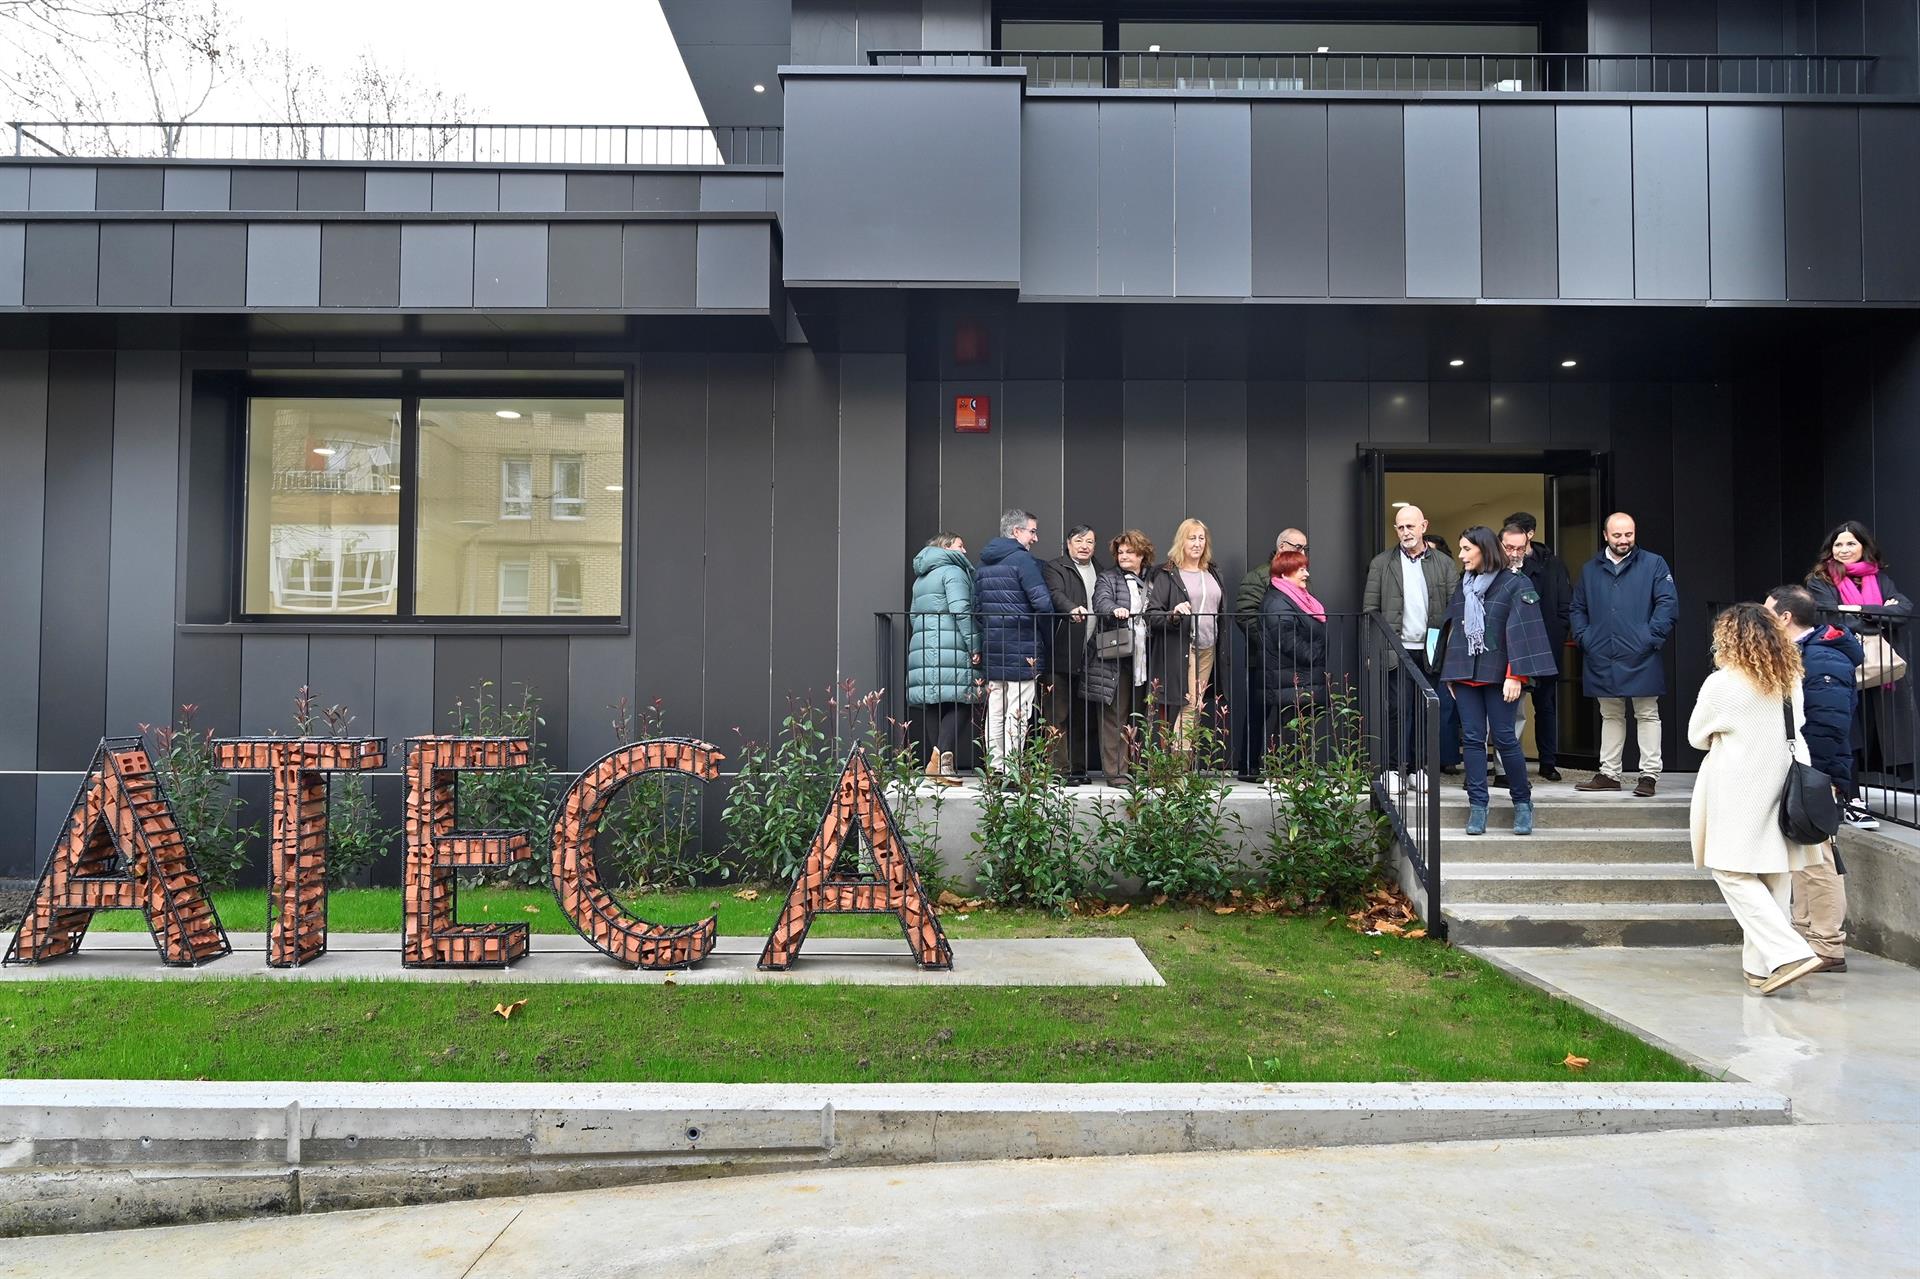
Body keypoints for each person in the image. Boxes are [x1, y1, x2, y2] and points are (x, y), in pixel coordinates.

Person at [1688, 603, 1824, 996]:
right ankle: (1761, 968)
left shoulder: (1723, 684)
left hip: (1738, 784)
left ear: (1729, 639)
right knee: (1773, 871)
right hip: (1783, 780)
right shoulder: (1789, 677)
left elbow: (1696, 736)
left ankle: (1787, 953)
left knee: (1729, 870)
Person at [1766, 584, 1863, 973]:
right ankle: (1807, 938)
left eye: (1769, 612)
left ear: (1786, 617)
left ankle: (1827, 945)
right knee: (1805, 858)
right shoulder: (1805, 654)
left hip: (1816, 773)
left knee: (1820, 859)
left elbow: (1826, 726)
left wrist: (1814, 778)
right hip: (1806, 772)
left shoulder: (1822, 658)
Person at [1439, 526, 1558, 836]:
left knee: (1505, 739)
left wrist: (1516, 674)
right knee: (1474, 740)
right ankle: (1478, 805)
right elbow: (1453, 627)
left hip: (1501, 674)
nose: (1462, 555)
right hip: (1466, 674)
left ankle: (1522, 802)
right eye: (1461, 549)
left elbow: (1524, 630)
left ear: (1484, 550)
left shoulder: (1515, 583)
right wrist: (1451, 673)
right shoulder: (1464, 584)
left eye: (1467, 549)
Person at [1570, 512, 1678, 796]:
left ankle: (1649, 776)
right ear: (1606, 535)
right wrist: (1585, 638)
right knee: (1610, 713)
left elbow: (1667, 604)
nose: (1623, 540)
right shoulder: (1590, 568)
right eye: (1617, 535)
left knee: (1647, 713)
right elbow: (1577, 608)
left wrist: (1649, 638)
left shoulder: (1654, 564)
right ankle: (1609, 773)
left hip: (1641, 652)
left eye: (1628, 534)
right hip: (1601, 652)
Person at [1805, 520, 1914, 792]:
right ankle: (1849, 795)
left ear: (1864, 547)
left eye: (1851, 543)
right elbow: (1831, 617)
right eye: (1838, 544)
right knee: (1847, 731)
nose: (1843, 549)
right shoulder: (1821, 580)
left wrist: (1854, 608)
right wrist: (1878, 613)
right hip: (1843, 666)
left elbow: (1904, 610)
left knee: (1878, 730)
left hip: (1880, 668)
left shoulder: (1880, 579)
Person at [1363, 505, 1462, 773]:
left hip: (1431, 651)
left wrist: (1452, 652)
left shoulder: (1444, 563)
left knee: (1425, 712)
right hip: (1396, 650)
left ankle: (1419, 770)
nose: (1405, 532)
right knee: (1397, 711)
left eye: (1410, 526)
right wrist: (1372, 651)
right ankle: (1396, 770)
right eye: (1400, 527)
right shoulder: (1382, 563)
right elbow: (1370, 611)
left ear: (1424, 526)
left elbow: (1456, 610)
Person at [976, 508, 1055, 770]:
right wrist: (1046, 635)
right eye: (1032, 531)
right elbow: (1042, 604)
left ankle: (995, 767)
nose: (1035, 538)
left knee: (996, 709)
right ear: (1016, 531)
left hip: (993, 645)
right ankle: (1012, 769)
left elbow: (977, 609)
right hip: (1022, 647)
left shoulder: (984, 564)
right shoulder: (1023, 561)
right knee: (1018, 711)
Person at [1503, 514, 1573, 781]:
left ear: (1529, 535)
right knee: (1512, 708)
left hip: (1547, 647)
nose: (1514, 550)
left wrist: (1556, 636)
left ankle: (1548, 761)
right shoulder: (1501, 566)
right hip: (1514, 649)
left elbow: (1565, 605)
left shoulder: (1552, 565)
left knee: (1545, 707)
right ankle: (1509, 765)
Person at [905, 534, 978, 785]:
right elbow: (962, 611)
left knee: (934, 703)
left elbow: (914, 617)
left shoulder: (921, 577)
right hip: (952, 643)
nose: (964, 549)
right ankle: (940, 764)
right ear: (947, 548)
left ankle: (938, 768)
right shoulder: (953, 571)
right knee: (963, 701)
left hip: (924, 645)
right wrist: (974, 644)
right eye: (960, 545)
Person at [1236, 528, 1307, 779]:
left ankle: (1287, 768)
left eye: (1304, 548)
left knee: (1290, 713)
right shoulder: (1258, 576)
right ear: (1281, 546)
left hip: (1291, 662)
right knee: (1257, 713)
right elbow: (1246, 616)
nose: (1302, 552)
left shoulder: (1300, 577)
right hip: (1262, 659)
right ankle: (1248, 766)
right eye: (1297, 547)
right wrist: (1273, 645)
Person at [1147, 517, 1224, 743]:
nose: (1197, 543)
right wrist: (1174, 614)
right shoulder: (1168, 573)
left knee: (1197, 705)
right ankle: (1179, 769)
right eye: (1192, 538)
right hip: (1184, 647)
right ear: (1182, 541)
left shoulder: (1212, 571)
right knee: (1189, 705)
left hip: (1208, 648)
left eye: (1201, 538)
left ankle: (1182, 766)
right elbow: (1152, 615)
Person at [1086, 530, 1154, 783]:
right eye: (1120, 552)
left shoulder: (1154, 578)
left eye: (1130, 551)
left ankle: (1139, 767)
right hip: (1116, 658)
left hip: (1146, 657)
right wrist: (1116, 610)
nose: (1124, 556)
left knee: (1141, 715)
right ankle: (1117, 772)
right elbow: (1101, 601)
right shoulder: (1108, 577)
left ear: (1142, 554)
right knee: (1114, 718)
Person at [1257, 548, 1329, 764]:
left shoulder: (1296, 598)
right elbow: (1286, 639)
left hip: (1297, 676)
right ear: (1284, 573)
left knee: (1297, 726)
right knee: (1289, 727)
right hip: (1289, 676)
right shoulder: (1278, 601)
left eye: (1305, 568)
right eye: (1300, 569)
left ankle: (1293, 773)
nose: (1306, 574)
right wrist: (1315, 653)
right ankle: (1284, 775)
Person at [1042, 525, 1101, 785]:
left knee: (1082, 715)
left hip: (1092, 652)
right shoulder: (1056, 567)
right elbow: (1055, 595)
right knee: (1057, 713)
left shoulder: (1100, 569)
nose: (1085, 545)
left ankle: (1078, 768)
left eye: (1090, 541)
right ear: (1068, 543)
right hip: (1062, 650)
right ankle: (1057, 769)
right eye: (1080, 540)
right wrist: (1071, 609)